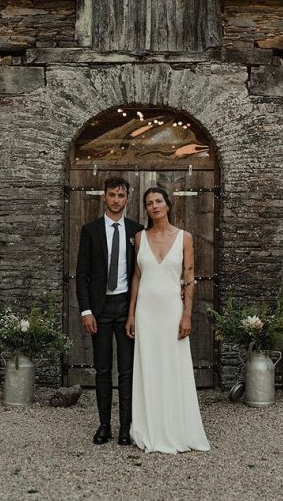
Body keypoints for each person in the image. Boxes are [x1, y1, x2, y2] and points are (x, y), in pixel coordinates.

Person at [125, 187, 210, 454]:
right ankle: (149, 427)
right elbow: (137, 277)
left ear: (168, 205)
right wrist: (131, 314)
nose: (154, 206)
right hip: (146, 312)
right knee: (148, 367)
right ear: (146, 209)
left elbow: (189, 278)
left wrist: (186, 314)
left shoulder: (184, 237)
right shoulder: (139, 238)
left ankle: (176, 428)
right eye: (149, 203)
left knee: (173, 367)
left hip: (172, 311)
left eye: (159, 201)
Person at [76, 176, 144, 445]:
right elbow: (82, 275)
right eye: (112, 195)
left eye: (121, 195)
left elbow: (145, 272)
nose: (116, 200)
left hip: (127, 309)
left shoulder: (137, 231)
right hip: (100, 309)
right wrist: (85, 311)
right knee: (103, 370)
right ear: (104, 197)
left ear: (128, 198)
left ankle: (125, 428)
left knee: (127, 371)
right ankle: (104, 425)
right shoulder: (90, 230)